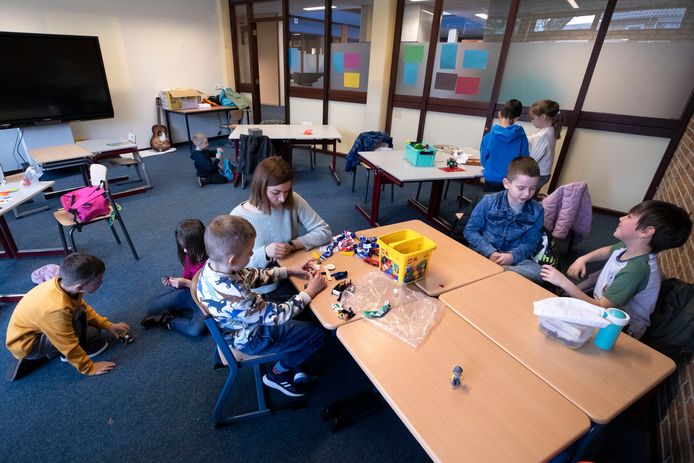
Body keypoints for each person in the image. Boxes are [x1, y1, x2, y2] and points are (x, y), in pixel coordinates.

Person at [196, 215, 327, 397]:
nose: (252, 254)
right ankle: (277, 374)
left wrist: (288, 271)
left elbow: (251, 275)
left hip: (243, 324)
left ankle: (294, 355)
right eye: (250, 252)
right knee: (318, 334)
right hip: (252, 338)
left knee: (298, 308)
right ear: (233, 260)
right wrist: (309, 292)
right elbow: (276, 316)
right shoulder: (237, 296)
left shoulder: (214, 266)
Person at [540, 200, 692, 339]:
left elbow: (601, 307)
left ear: (646, 232)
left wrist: (564, 283)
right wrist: (583, 259)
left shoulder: (636, 271)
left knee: (561, 327)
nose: (621, 218)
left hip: (621, 328)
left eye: (630, 217)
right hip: (602, 304)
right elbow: (609, 250)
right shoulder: (632, 247)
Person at [6, 253, 130, 381]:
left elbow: (83, 309)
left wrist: (108, 325)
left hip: (37, 329)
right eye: (98, 281)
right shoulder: (57, 309)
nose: (102, 282)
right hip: (28, 343)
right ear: (79, 287)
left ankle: (48, 352)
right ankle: (41, 355)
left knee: (87, 324)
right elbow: (68, 345)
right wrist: (90, 368)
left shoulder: (63, 285)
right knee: (91, 333)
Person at [230, 156, 332, 296]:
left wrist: (292, 245)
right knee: (318, 306)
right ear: (260, 188)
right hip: (264, 288)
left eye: (287, 191)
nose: (283, 199)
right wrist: (264, 253)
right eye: (276, 193)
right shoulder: (237, 217)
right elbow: (234, 269)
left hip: (293, 271)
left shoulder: (293, 199)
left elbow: (324, 231)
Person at [464, 156, 544, 283]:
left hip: (513, 260)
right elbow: (470, 231)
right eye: (521, 188)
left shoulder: (537, 210)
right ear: (507, 184)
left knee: (539, 274)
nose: (527, 194)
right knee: (464, 258)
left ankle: (496, 270)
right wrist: (490, 252)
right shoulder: (489, 202)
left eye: (533, 188)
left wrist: (512, 256)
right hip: (483, 252)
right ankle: (496, 271)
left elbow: (531, 243)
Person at [140, 219, 208, 336]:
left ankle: (167, 320)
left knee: (196, 330)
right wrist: (175, 283)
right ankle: (170, 310)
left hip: (205, 300)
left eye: (188, 248)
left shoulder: (212, 258)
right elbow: (186, 279)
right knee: (150, 308)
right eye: (183, 248)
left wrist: (186, 283)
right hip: (189, 292)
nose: (185, 251)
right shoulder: (188, 256)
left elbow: (211, 288)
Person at [480, 99, 529, 192]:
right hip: (512, 180)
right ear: (516, 118)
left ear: (500, 114)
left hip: (492, 179)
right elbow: (524, 161)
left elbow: (483, 161)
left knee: (491, 204)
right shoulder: (522, 137)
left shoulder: (488, 137)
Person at [528, 99, 563, 190]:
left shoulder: (542, 136)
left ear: (543, 117)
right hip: (544, 174)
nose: (532, 121)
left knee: (525, 197)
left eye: (533, 118)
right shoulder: (550, 130)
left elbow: (532, 160)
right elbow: (533, 138)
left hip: (539, 175)